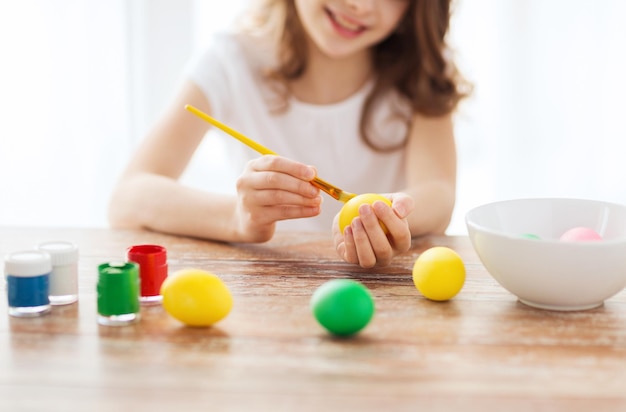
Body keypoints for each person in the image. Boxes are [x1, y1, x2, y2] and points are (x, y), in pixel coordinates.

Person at [108, 0, 470, 268]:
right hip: (264, 287)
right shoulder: (231, 61)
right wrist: (237, 218)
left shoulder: (421, 72)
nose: (359, 5)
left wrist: (389, 215)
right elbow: (128, 199)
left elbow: (437, 195)